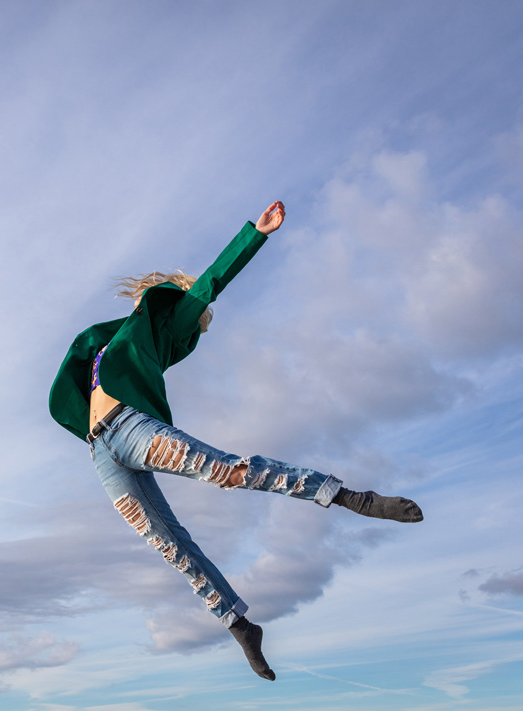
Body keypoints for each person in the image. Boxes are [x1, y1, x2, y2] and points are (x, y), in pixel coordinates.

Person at [49, 201, 423, 681]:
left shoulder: (165, 325)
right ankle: (240, 624)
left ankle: (348, 495)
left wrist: (256, 235)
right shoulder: (110, 339)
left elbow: (210, 283)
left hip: (131, 426)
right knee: (168, 544)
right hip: (101, 449)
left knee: (225, 470)